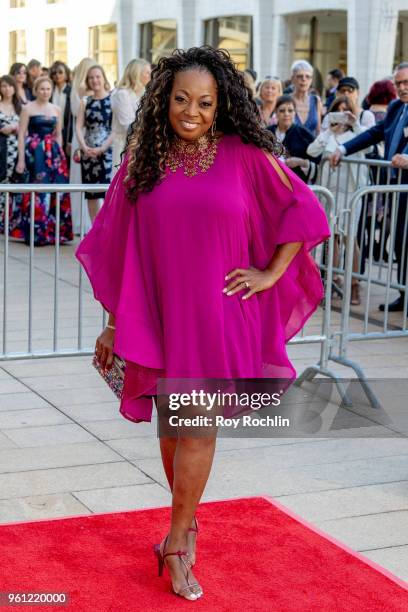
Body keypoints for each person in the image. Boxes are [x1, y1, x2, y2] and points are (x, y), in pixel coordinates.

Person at [76, 46, 330, 601]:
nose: (191, 111)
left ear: (221, 106)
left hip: (219, 315)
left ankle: (173, 542)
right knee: (173, 427)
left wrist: (270, 273)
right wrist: (115, 324)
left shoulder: (243, 155)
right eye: (181, 99)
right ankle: (185, 525)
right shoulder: (142, 160)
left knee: (196, 426)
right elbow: (119, 249)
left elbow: (304, 210)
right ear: (164, 98)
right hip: (160, 315)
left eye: (205, 103)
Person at [330, 62, 408, 312]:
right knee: (399, 243)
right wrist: (343, 148)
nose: (402, 88)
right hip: (395, 188)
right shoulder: (396, 107)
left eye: (406, 83)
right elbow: (374, 134)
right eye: (398, 84)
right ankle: (404, 294)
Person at [308, 97, 371, 305]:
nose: (342, 115)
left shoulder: (356, 134)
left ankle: (354, 285)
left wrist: (355, 124)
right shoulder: (328, 135)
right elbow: (312, 151)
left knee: (349, 238)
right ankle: (332, 280)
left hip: (351, 193)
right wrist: (328, 130)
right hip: (329, 192)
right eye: (338, 111)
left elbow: (368, 147)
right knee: (332, 237)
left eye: (346, 111)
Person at [15, 76, 73, 246]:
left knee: (57, 191)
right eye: (42, 89)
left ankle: (55, 232)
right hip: (35, 153)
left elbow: (58, 133)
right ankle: (36, 232)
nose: (45, 92)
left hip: (54, 154)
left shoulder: (56, 109)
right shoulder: (28, 109)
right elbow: (21, 134)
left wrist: (60, 153)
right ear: (36, 90)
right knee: (38, 192)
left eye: (48, 89)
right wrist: (21, 160)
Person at [76, 64, 113, 223]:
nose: (95, 80)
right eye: (91, 77)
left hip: (107, 151)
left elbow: (115, 129)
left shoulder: (113, 99)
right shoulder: (85, 101)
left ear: (103, 78)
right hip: (88, 151)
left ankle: (107, 230)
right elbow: (78, 126)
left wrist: (103, 148)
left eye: (97, 76)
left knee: (106, 191)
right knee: (91, 193)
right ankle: (94, 230)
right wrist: (84, 147)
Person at [69, 57, 97, 234]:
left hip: (85, 135)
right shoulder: (81, 91)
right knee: (83, 179)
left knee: (83, 179)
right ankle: (83, 222)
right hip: (84, 135)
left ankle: (83, 221)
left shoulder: (78, 89)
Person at [268, 95, 319, 183]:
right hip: (270, 181)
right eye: (282, 111)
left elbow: (318, 156)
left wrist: (301, 162)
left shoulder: (303, 134)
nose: (286, 114)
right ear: (276, 112)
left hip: (296, 182)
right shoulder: (268, 132)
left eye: (290, 110)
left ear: (295, 112)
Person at [111, 58, 151, 171]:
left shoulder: (145, 93)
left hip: (142, 145)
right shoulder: (122, 95)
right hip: (125, 145)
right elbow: (129, 126)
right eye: (147, 72)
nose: (150, 75)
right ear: (137, 74)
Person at [0, 75, 21, 233]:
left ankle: (11, 222)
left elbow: (27, 129)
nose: (7, 89)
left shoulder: (21, 107)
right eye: (3, 86)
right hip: (2, 150)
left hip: (17, 150)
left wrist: (16, 128)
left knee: (15, 184)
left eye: (9, 86)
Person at [291, 60, 323, 137]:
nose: (304, 79)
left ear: (311, 80)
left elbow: (318, 131)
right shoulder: (285, 100)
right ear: (292, 79)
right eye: (300, 76)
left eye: (308, 77)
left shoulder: (316, 100)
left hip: (312, 147)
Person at [50, 61, 72, 157]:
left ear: (66, 74)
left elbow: (73, 118)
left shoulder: (71, 91)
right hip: (50, 131)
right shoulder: (49, 91)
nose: (57, 75)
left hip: (67, 132)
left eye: (60, 72)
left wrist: (70, 140)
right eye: (54, 73)